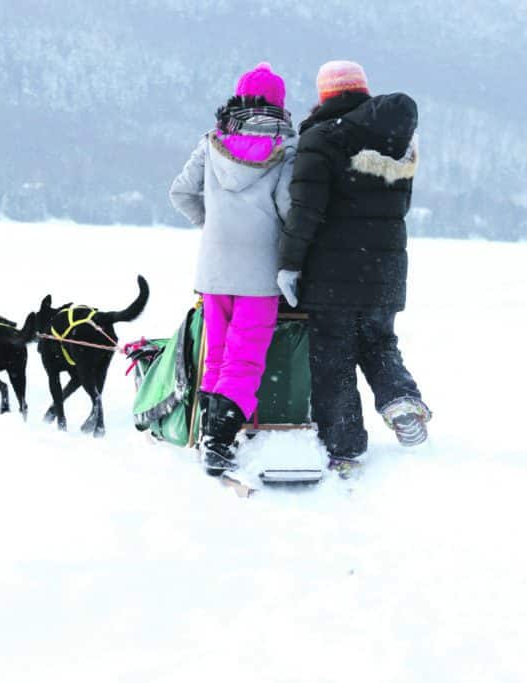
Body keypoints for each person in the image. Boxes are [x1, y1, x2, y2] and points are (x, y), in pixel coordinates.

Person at [276, 60, 431, 471]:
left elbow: (305, 210)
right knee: (378, 342)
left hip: (333, 272)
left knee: (333, 359)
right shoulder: (400, 140)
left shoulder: (322, 138)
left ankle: (344, 447)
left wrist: (290, 264)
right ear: (362, 91)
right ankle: (401, 399)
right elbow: (400, 207)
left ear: (326, 94)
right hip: (386, 268)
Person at [169, 62, 296, 478]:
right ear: (278, 104)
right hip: (259, 274)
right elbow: (288, 209)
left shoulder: (210, 143)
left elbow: (181, 192)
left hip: (214, 271)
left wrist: (212, 223)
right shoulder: (286, 149)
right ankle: (219, 443)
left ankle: (210, 430)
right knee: (244, 361)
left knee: (217, 357)